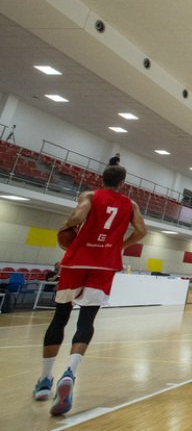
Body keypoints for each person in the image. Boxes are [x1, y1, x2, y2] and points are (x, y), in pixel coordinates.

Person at [32, 165, 146, 416]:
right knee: (86, 320)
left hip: (77, 261)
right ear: (123, 183)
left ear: (101, 179)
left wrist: (65, 226)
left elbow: (77, 216)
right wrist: (119, 246)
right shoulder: (130, 204)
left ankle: (45, 380)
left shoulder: (90, 195)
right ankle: (70, 373)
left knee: (60, 317)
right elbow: (141, 231)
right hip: (104, 264)